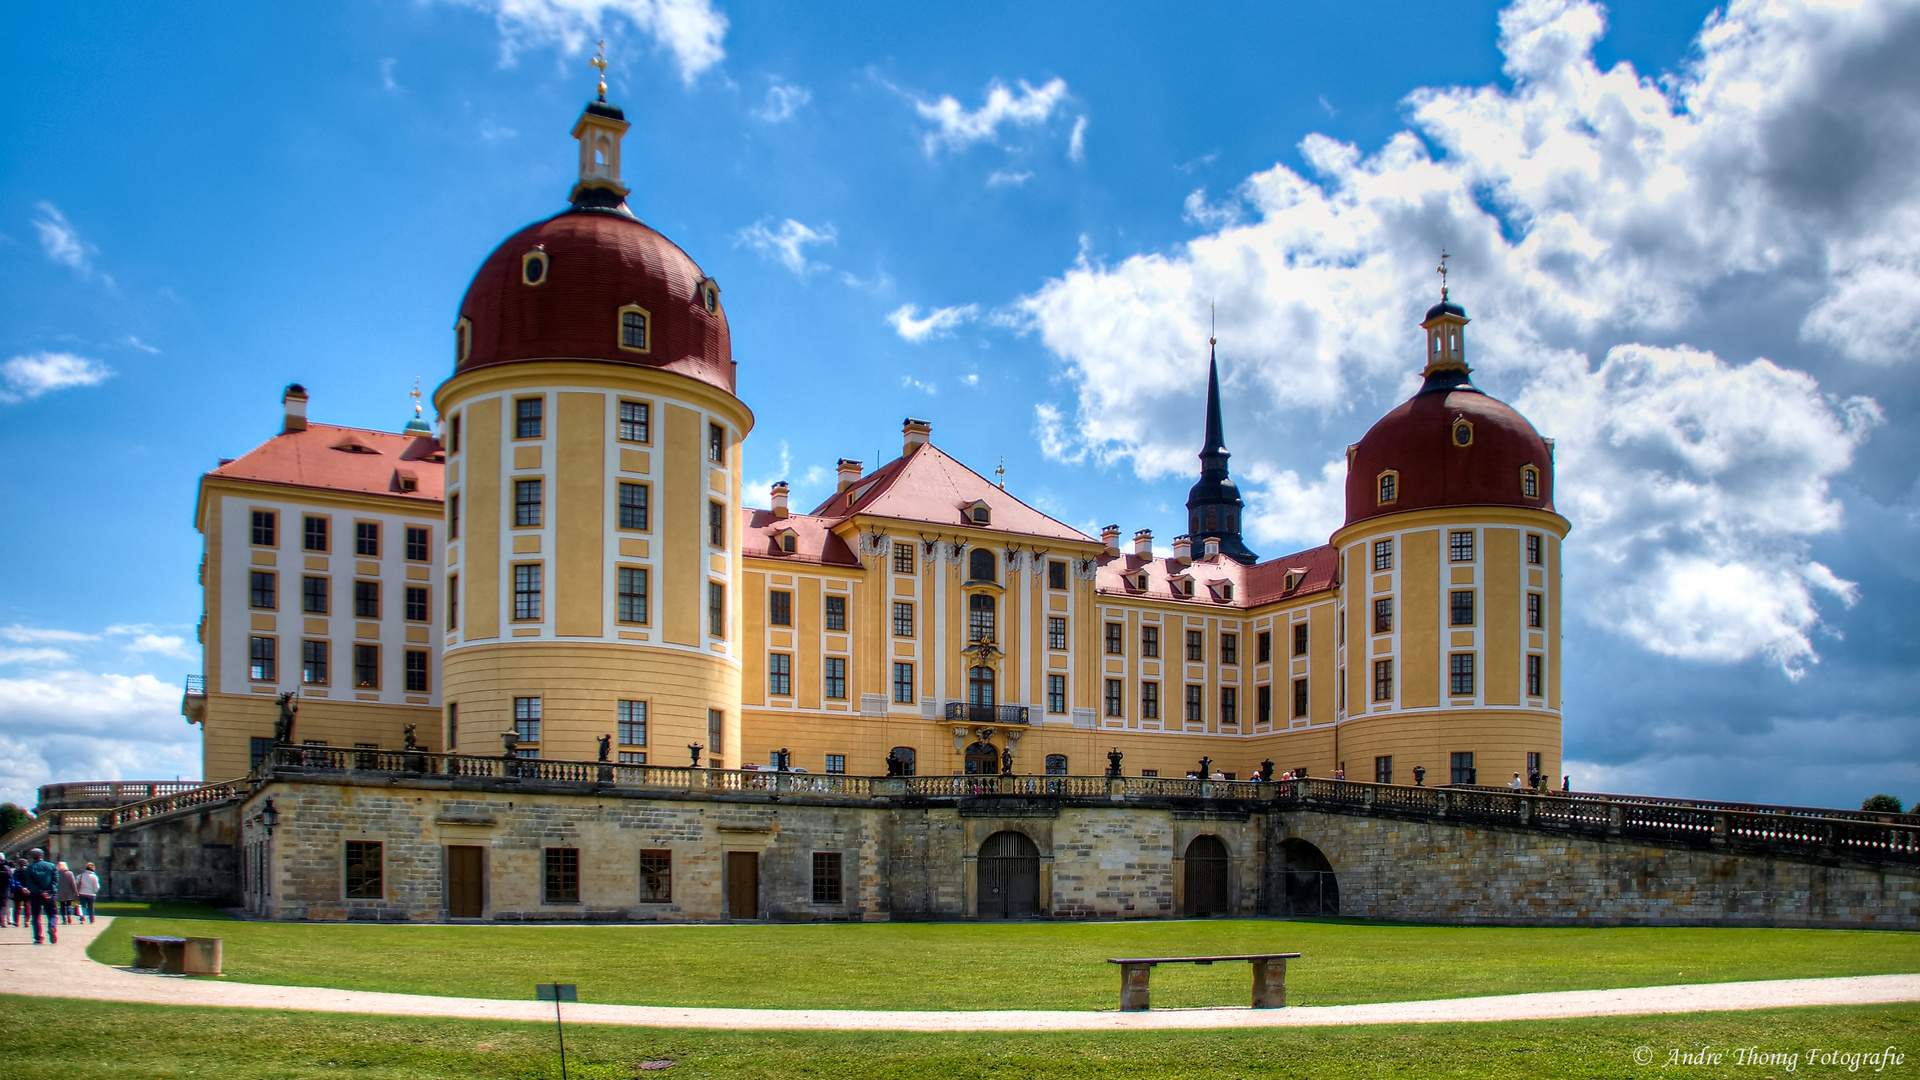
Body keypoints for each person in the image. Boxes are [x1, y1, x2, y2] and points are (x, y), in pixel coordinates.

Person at [21, 848, 59, 944]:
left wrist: (40, 891)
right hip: (50, 894)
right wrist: (49, 892)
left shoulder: (29, 868)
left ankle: (38, 937)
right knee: (52, 914)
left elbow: (30, 884)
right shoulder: (51, 866)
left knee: (36, 916)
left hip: (36, 895)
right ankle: (52, 926)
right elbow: (55, 881)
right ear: (42, 855)